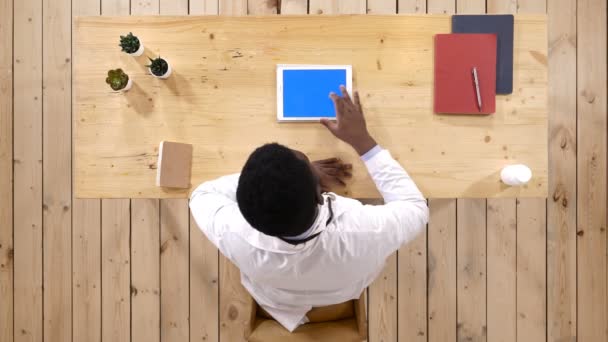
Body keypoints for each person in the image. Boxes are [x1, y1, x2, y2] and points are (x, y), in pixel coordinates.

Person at [189, 86, 429, 332]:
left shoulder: (233, 231)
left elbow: (200, 194)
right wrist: (363, 143)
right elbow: (416, 209)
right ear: (320, 194)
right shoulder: (365, 231)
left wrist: (281, 179)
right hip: (343, 290)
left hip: (277, 296)